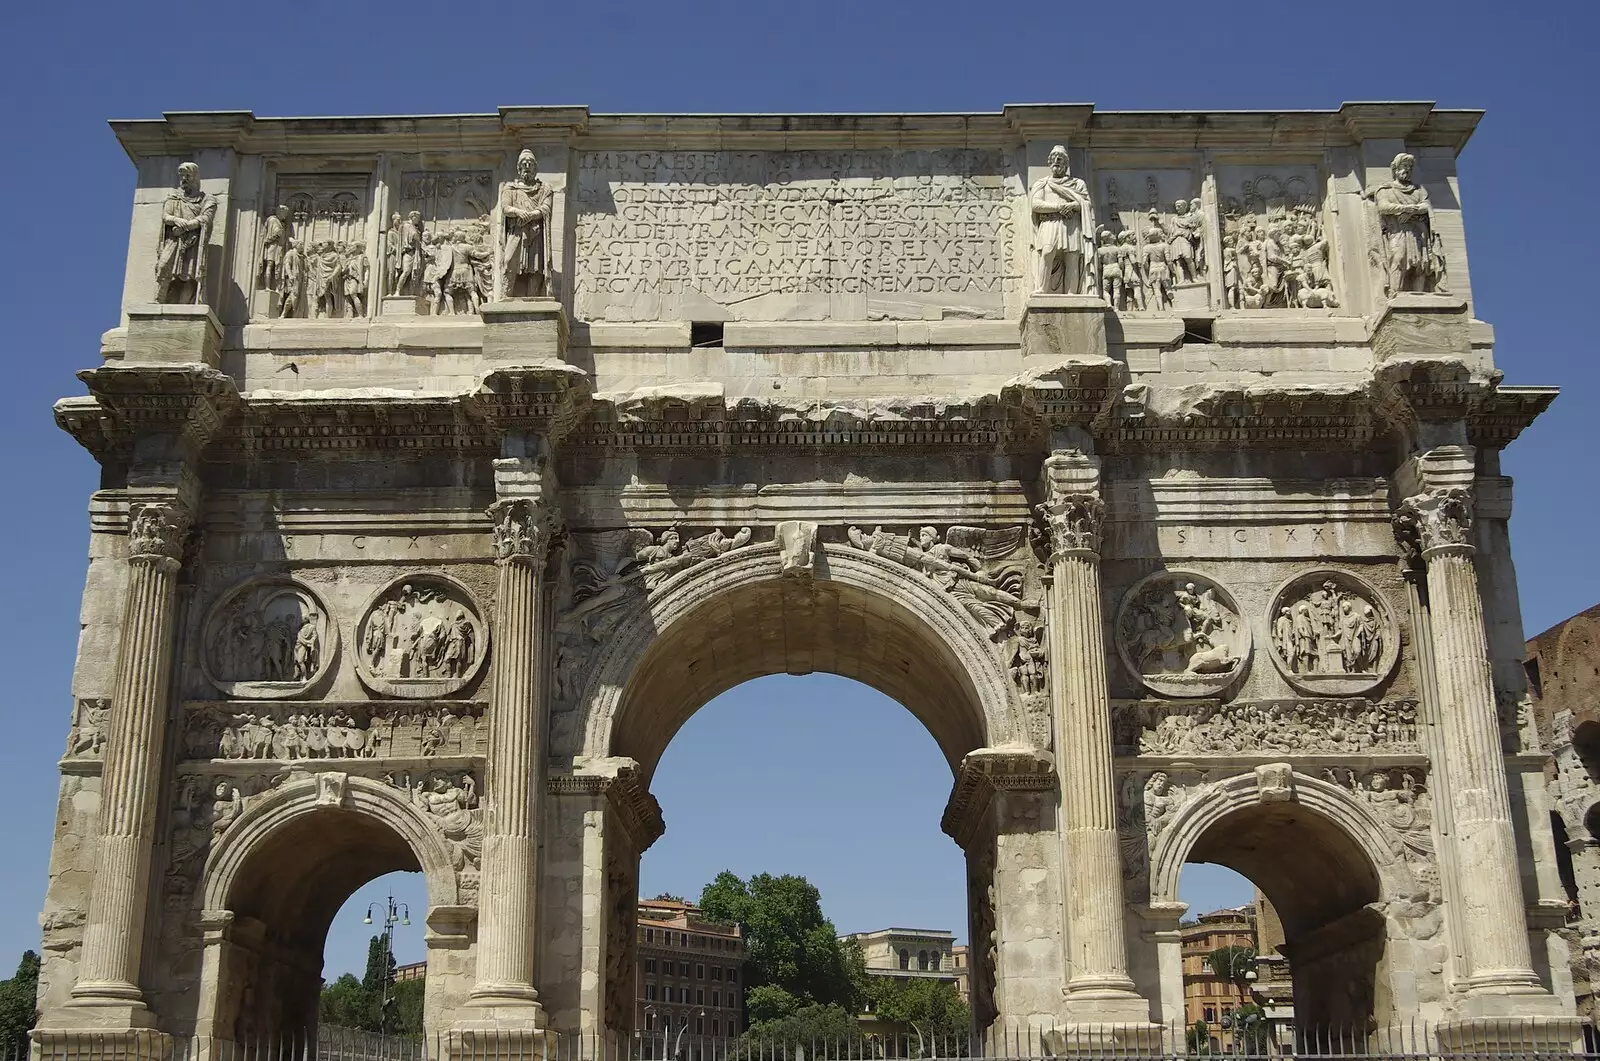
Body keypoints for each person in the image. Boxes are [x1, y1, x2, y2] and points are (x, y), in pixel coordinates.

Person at [1364, 152, 1447, 296]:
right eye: (1404, 166)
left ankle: (1419, 296)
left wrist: (1409, 212)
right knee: (1398, 258)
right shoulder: (1385, 190)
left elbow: (1426, 207)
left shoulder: (1419, 190)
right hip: (1398, 230)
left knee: (1422, 262)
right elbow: (1384, 207)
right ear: (1395, 169)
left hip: (1418, 231)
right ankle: (1394, 292)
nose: (1407, 170)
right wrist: (1407, 208)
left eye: (1410, 167)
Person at [1029, 145, 1092, 294]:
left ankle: (1072, 294)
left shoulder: (1077, 183)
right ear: (1049, 162)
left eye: (1061, 158)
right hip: (1049, 222)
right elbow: (1036, 205)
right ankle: (1042, 289)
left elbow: (1086, 203)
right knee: (1047, 253)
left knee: (1072, 258)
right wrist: (1059, 207)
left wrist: (1071, 206)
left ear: (1066, 163)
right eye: (1054, 158)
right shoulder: (1042, 183)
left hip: (1071, 224)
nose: (1057, 160)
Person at [156, 162, 218, 304]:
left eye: (188, 176)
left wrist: (188, 226)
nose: (184, 180)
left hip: (192, 241)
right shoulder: (173, 197)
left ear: (195, 177)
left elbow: (206, 218)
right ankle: (159, 299)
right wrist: (177, 220)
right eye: (182, 176)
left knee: (189, 273)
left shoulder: (207, 200)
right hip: (174, 240)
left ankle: (184, 305)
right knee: (163, 266)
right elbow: (166, 216)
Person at [499, 148, 553, 298]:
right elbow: (505, 207)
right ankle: (506, 294)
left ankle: (533, 298)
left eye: (531, 163)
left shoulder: (544, 188)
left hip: (535, 231)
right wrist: (518, 212)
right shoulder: (510, 188)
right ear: (519, 167)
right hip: (516, 230)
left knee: (535, 266)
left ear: (535, 168)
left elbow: (546, 207)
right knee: (509, 261)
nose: (527, 166)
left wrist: (531, 215)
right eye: (524, 163)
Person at [259, 205, 291, 293]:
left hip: (279, 246)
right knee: (270, 265)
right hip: (273, 246)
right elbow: (275, 234)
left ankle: (276, 287)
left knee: (277, 266)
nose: (285, 216)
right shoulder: (273, 220)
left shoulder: (280, 222)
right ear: (280, 211)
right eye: (285, 213)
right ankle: (267, 286)